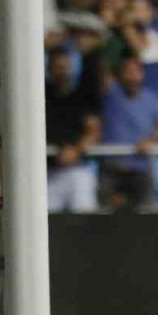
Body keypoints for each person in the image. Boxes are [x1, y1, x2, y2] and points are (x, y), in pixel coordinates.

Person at [99, 54, 158, 210]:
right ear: (120, 74)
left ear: (142, 74)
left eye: (136, 71)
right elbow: (102, 70)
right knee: (103, 213)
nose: (132, 76)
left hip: (141, 167)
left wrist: (151, 141)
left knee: (146, 212)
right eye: (128, 71)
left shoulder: (152, 99)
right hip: (112, 167)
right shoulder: (110, 95)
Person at [44, 46, 101, 213]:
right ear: (49, 69)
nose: (62, 71)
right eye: (58, 67)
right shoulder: (41, 97)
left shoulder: (81, 96)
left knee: (84, 215)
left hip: (78, 170)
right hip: (47, 172)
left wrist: (76, 151)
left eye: (65, 66)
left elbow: (94, 130)